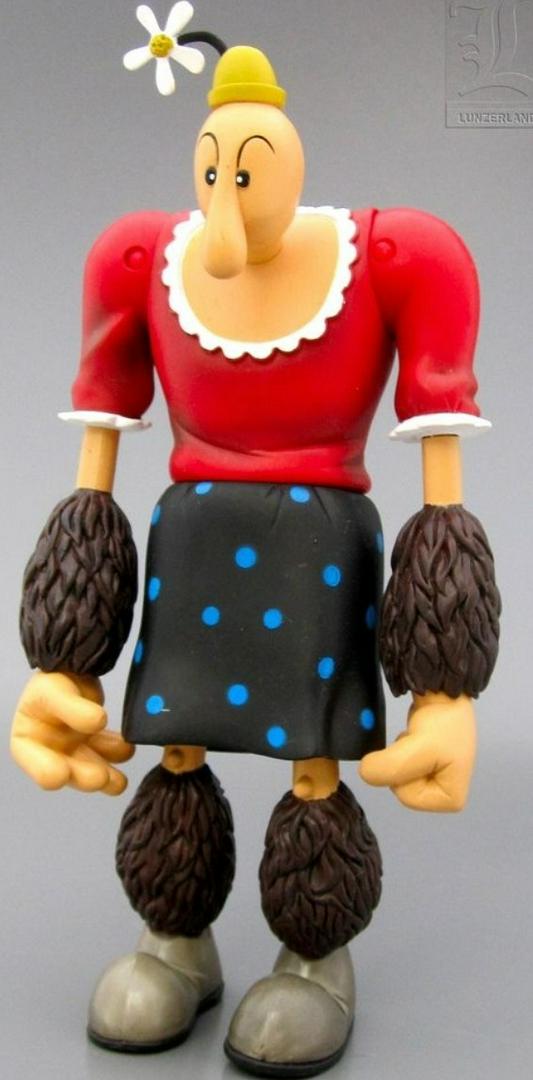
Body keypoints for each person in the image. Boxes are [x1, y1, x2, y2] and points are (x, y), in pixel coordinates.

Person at [11, 10, 500, 1078]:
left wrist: (445, 684)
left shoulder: (393, 257)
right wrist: (62, 661)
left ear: (285, 162)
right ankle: (173, 939)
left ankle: (314, 957)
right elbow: (95, 474)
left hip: (317, 553)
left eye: (246, 171)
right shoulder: (141, 259)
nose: (225, 201)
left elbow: (440, 490)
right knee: (174, 748)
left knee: (313, 764)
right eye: (212, 173)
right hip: (190, 549)